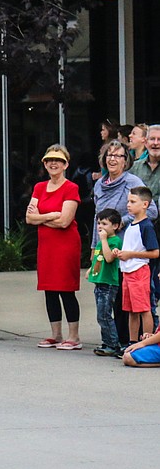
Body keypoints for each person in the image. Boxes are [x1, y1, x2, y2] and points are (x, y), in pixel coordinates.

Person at [92, 139, 155, 347]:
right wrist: (94, 248)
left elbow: (152, 210)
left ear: (125, 160)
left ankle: (130, 342)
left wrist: (121, 223)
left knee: (126, 300)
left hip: (129, 250)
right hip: (106, 249)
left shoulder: (133, 182)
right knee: (107, 296)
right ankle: (114, 341)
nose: (112, 159)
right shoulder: (99, 185)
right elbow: (98, 219)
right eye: (109, 154)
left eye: (118, 155)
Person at [26, 146, 82, 350]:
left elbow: (65, 221)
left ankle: (73, 337)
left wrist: (41, 217)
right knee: (49, 289)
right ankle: (56, 334)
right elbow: (29, 218)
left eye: (58, 160)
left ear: (66, 164)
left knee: (66, 289)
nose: (53, 163)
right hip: (47, 245)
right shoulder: (40, 187)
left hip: (66, 245)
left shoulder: (71, 188)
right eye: (49, 160)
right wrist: (50, 216)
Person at [113, 186, 159, 345]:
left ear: (145, 204)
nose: (128, 205)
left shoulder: (146, 226)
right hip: (127, 272)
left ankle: (147, 342)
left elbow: (155, 253)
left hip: (139, 272)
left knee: (144, 309)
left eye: (133, 201)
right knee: (131, 310)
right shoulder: (131, 224)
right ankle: (132, 342)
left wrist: (130, 255)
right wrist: (121, 252)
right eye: (128, 201)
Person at [89, 209, 124, 357]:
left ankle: (113, 344)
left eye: (104, 223)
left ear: (115, 226)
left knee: (104, 315)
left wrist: (103, 240)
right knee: (100, 315)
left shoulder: (114, 241)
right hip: (99, 281)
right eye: (98, 223)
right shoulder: (100, 242)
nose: (100, 227)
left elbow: (109, 258)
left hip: (108, 283)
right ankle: (106, 341)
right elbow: (98, 259)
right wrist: (90, 270)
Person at [130, 124, 160, 198]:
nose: (156, 143)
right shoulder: (134, 168)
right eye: (152, 139)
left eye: (159, 139)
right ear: (146, 143)